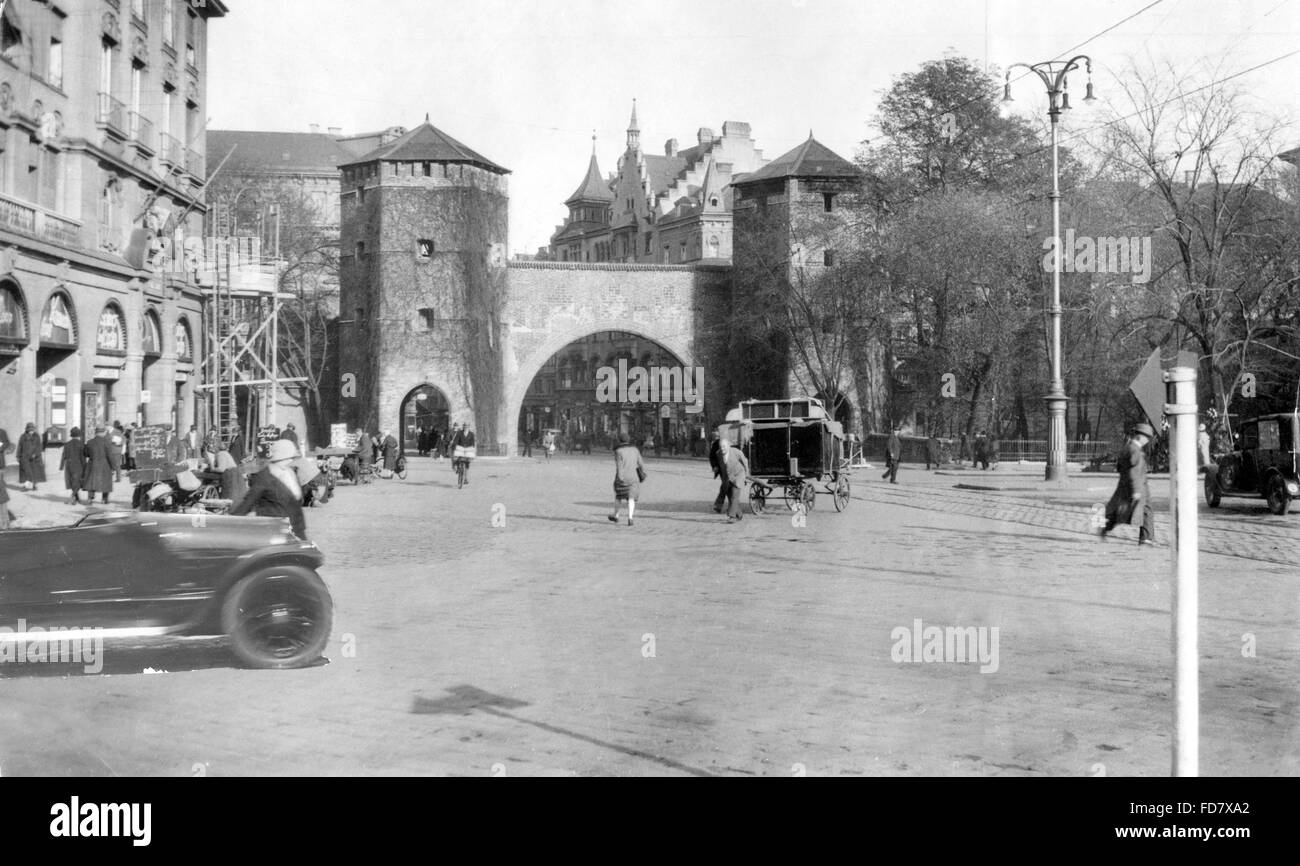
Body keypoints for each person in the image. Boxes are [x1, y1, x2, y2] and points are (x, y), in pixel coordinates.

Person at [231, 439, 307, 539]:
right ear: (282, 457)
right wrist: (231, 521)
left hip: (298, 529)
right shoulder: (264, 476)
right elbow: (248, 502)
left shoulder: (291, 473)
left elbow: (297, 499)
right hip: (277, 531)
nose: (292, 460)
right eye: (290, 457)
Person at [1100, 422, 1156, 546]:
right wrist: (1136, 489)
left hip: (1128, 484)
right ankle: (1146, 538)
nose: (1147, 441)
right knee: (1131, 510)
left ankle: (1146, 537)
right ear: (1140, 437)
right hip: (1137, 485)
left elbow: (1120, 466)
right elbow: (1133, 472)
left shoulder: (1128, 448)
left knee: (1137, 509)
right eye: (1147, 438)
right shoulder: (1135, 450)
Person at [608, 432, 645, 527]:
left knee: (618, 497)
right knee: (631, 498)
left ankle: (616, 515)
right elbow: (641, 463)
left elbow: (619, 466)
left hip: (623, 477)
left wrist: (620, 478)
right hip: (634, 478)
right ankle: (630, 518)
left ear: (619, 440)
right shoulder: (635, 450)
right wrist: (642, 473)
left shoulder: (618, 451)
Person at [83, 426, 118, 505]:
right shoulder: (106, 442)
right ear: (103, 433)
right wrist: (114, 467)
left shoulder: (89, 442)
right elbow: (110, 455)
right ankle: (104, 499)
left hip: (92, 464)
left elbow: (86, 453)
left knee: (91, 482)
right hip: (104, 465)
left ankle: (90, 499)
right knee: (106, 482)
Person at [722, 435, 750, 524]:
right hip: (729, 477)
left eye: (724, 446)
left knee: (734, 496)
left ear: (729, 446)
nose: (722, 448)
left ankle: (732, 516)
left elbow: (745, 461)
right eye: (721, 446)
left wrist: (746, 474)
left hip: (739, 475)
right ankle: (739, 514)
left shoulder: (736, 451)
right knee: (730, 496)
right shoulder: (719, 454)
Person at [60, 427, 87, 505]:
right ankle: (72, 497)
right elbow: (83, 457)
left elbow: (63, 455)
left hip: (69, 465)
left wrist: (61, 466)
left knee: (72, 481)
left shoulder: (67, 444)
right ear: (79, 435)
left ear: (71, 435)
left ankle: (76, 498)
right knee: (78, 481)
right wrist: (85, 466)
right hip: (79, 465)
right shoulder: (81, 444)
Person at [17, 422, 44, 491]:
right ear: (27, 429)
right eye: (29, 429)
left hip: (34, 458)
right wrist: (18, 456)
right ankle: (26, 486)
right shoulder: (23, 436)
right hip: (24, 457)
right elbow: (20, 446)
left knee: (34, 472)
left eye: (32, 429)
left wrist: (35, 454)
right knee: (26, 472)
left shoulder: (37, 436)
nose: (31, 431)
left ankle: (34, 486)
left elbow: (39, 447)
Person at [708, 431, 729, 513]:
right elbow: (712, 456)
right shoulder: (717, 443)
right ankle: (719, 505)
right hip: (722, 468)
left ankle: (719, 504)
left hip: (733, 468)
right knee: (726, 485)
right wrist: (715, 466)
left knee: (727, 485)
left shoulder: (734, 442)